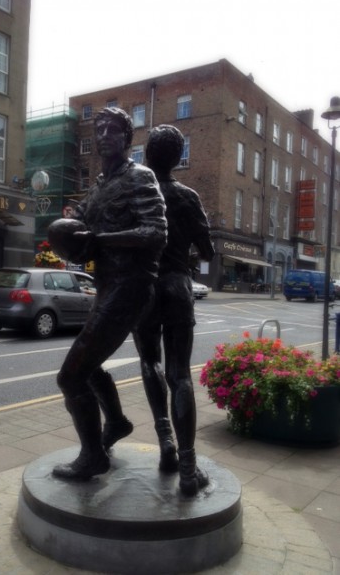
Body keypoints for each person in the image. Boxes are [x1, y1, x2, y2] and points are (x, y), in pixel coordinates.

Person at [49, 107, 167, 481]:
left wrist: (100, 239)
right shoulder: (99, 186)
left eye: (111, 129)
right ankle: (115, 423)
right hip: (108, 287)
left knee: (71, 377)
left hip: (131, 287)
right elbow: (80, 222)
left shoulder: (140, 178)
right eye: (98, 129)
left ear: (127, 138)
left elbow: (155, 232)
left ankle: (93, 456)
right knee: (89, 367)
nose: (103, 135)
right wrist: (67, 233)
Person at [133, 124, 215, 496]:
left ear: (148, 155)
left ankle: (165, 442)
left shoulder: (139, 192)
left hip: (145, 286)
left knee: (149, 361)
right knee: (180, 375)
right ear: (179, 158)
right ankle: (187, 467)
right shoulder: (187, 196)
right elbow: (209, 251)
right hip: (178, 286)